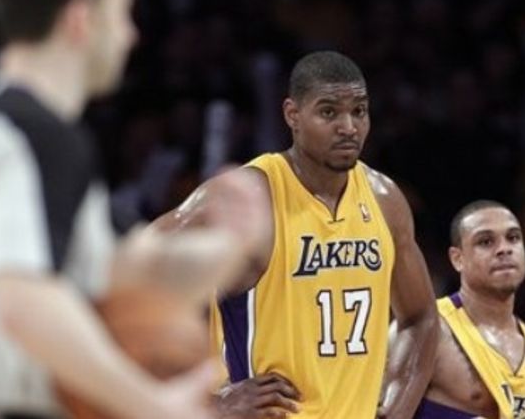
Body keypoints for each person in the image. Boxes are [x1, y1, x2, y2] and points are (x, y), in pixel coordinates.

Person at [0, 0, 297, 417]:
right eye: (122, 14)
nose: (131, 35)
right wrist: (150, 404)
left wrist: (231, 243)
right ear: (81, 20)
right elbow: (20, 300)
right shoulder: (34, 137)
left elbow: (133, 272)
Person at [152, 50, 440, 418]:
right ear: (293, 115)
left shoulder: (385, 200)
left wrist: (397, 409)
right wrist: (206, 402)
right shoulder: (254, 195)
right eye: (329, 112)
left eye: (359, 111)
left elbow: (421, 317)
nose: (349, 127)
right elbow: (130, 280)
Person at [409, 200, 525, 419]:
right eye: (486, 242)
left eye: (513, 238)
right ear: (458, 259)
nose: (504, 249)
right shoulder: (429, 329)